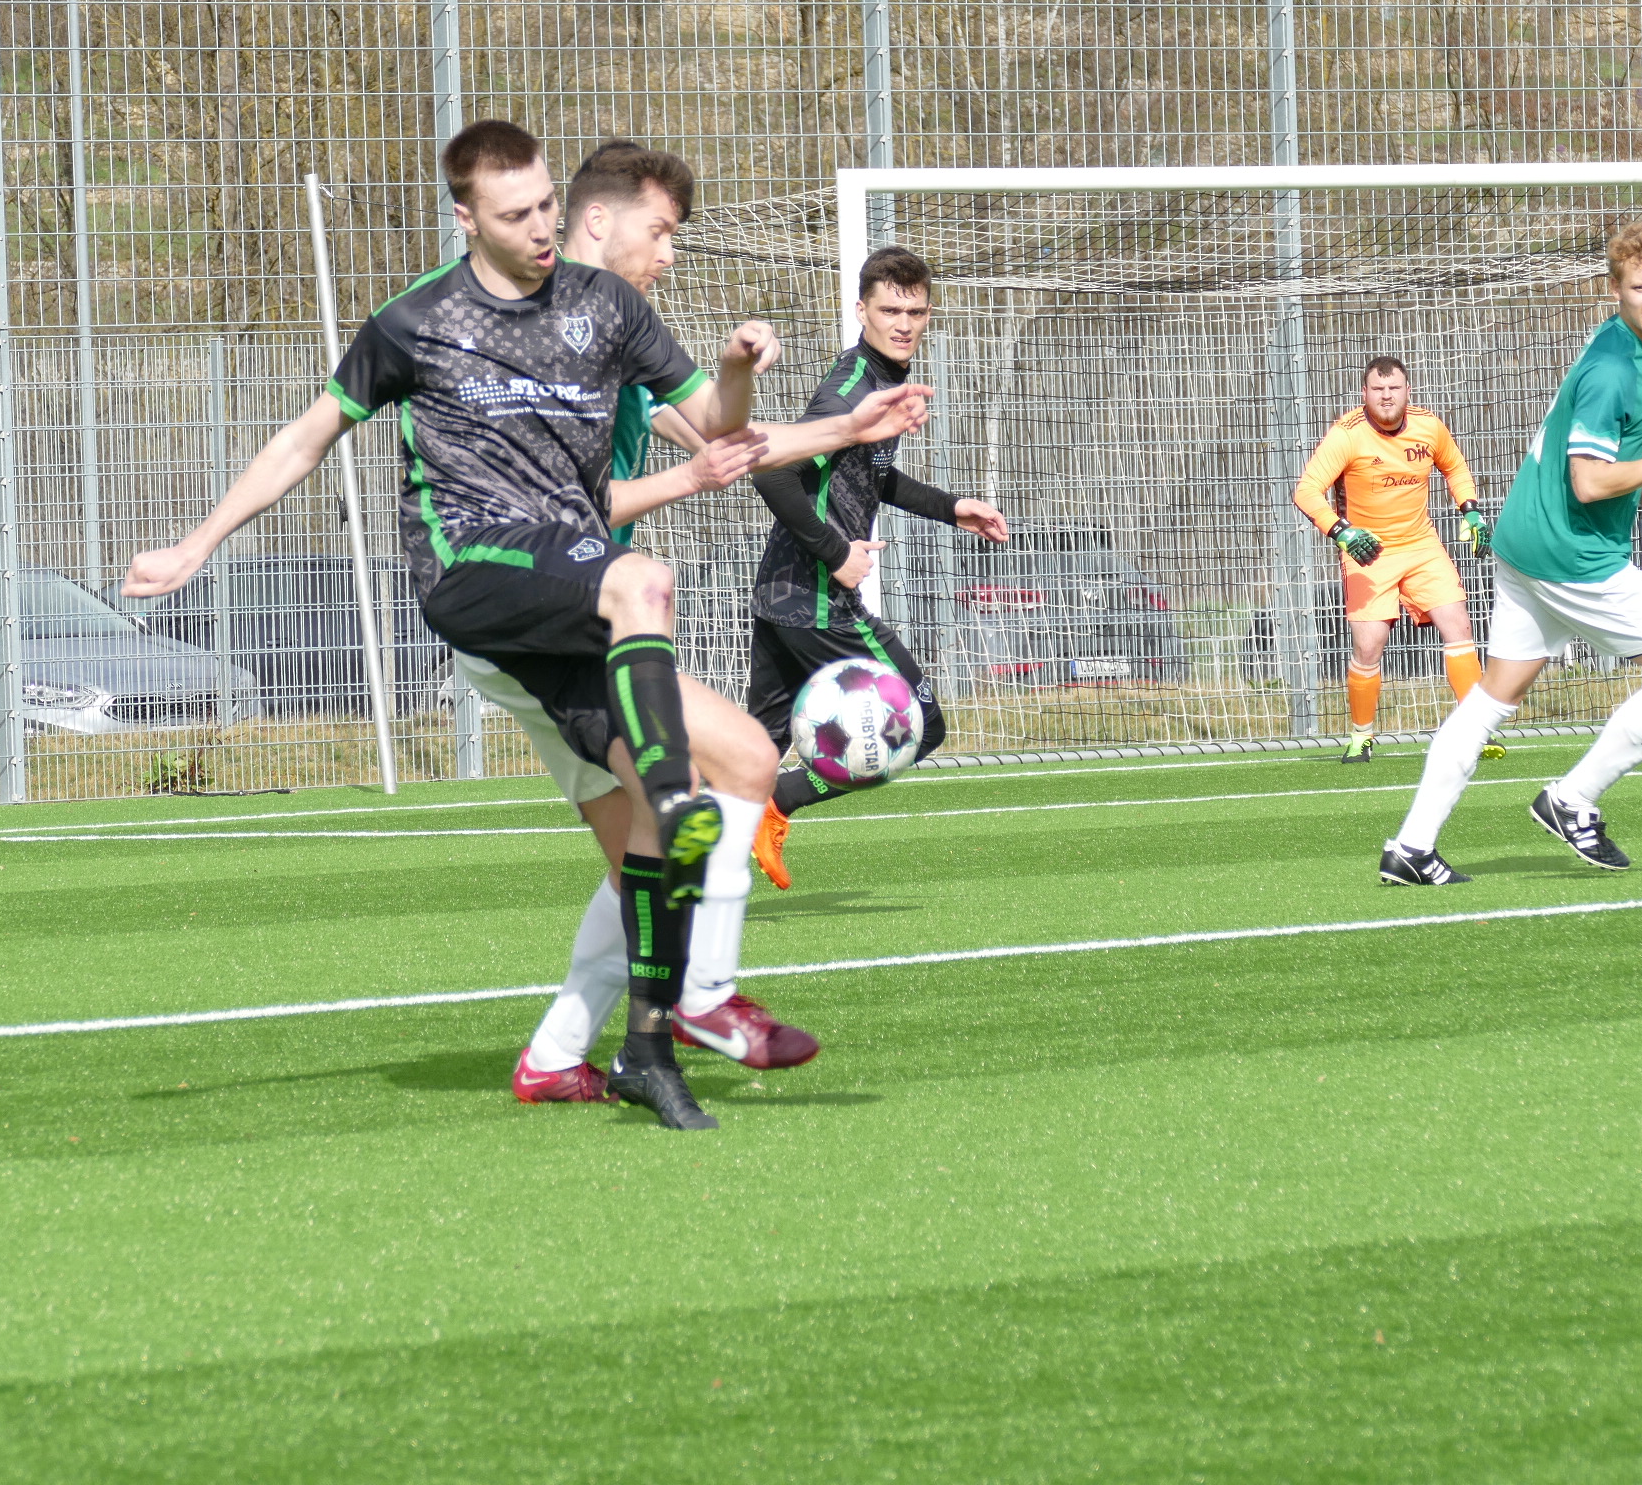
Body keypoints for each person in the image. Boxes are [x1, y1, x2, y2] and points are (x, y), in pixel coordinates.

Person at [123, 119, 780, 1131]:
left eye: (548, 204)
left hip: (567, 589)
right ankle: (682, 885)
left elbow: (721, 431)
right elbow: (305, 440)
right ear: (466, 218)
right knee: (646, 585)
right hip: (470, 567)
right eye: (516, 215)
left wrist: (737, 364)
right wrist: (195, 545)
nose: (541, 227)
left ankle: (645, 1051)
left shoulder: (606, 307)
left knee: (679, 807)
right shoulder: (417, 320)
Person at [492, 141, 934, 1103]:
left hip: (564, 618)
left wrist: (848, 426)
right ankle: (702, 998)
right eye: (662, 232)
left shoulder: (616, 331)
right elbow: (561, 512)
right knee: (720, 781)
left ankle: (563, 1055)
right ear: (599, 221)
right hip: (543, 620)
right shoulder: (545, 338)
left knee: (650, 855)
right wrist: (698, 475)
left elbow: (730, 441)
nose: (671, 253)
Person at [1378, 221, 1642, 886]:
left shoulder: (1619, 341)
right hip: (1573, 556)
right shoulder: (1618, 369)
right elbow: (1588, 482)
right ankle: (1572, 799)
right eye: (1641, 287)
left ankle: (1411, 847)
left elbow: (1584, 455)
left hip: (1524, 541)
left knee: (1492, 698)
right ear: (1615, 289)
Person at [742, 245, 1010, 891]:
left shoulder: (881, 382)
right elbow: (772, 472)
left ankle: (677, 865)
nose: (903, 323)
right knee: (921, 726)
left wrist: (951, 508)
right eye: (890, 310)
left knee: (747, 755)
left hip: (784, 594)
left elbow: (872, 476)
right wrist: (837, 554)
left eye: (915, 312)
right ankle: (775, 805)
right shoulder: (851, 390)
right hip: (819, 600)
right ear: (861, 310)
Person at [1292, 356, 1493, 764]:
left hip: (1422, 546)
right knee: (1369, 645)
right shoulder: (1347, 434)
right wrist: (1341, 532)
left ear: (1407, 391)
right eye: (1378, 389)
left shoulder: (1429, 426)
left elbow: (1455, 467)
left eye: (1394, 388)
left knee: (1458, 624)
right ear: (1364, 393)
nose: (1387, 396)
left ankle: (1475, 733)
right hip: (1368, 551)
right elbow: (1307, 490)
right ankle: (1361, 736)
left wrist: (1470, 510)